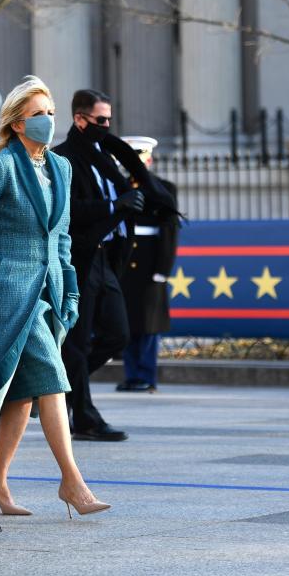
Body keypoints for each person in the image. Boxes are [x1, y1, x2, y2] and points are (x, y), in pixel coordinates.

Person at [0, 75, 111, 519]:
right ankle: (73, 482)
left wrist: (72, 289)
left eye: (51, 113)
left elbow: (60, 238)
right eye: (38, 114)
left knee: (24, 393)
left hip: (49, 291)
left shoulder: (60, 168)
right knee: (53, 378)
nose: (47, 120)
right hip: (9, 292)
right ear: (17, 124)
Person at [52, 90, 140, 442]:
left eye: (109, 120)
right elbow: (69, 212)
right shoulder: (64, 158)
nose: (107, 127)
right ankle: (84, 416)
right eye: (100, 120)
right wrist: (116, 205)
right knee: (75, 342)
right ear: (80, 119)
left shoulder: (104, 156)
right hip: (80, 258)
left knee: (118, 334)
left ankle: (59, 390)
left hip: (106, 258)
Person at [117, 136, 179, 393]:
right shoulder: (117, 186)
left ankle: (147, 375)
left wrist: (162, 270)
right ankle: (132, 375)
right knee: (126, 323)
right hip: (123, 261)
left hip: (149, 263)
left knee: (149, 323)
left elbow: (169, 230)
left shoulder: (163, 188)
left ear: (149, 158)